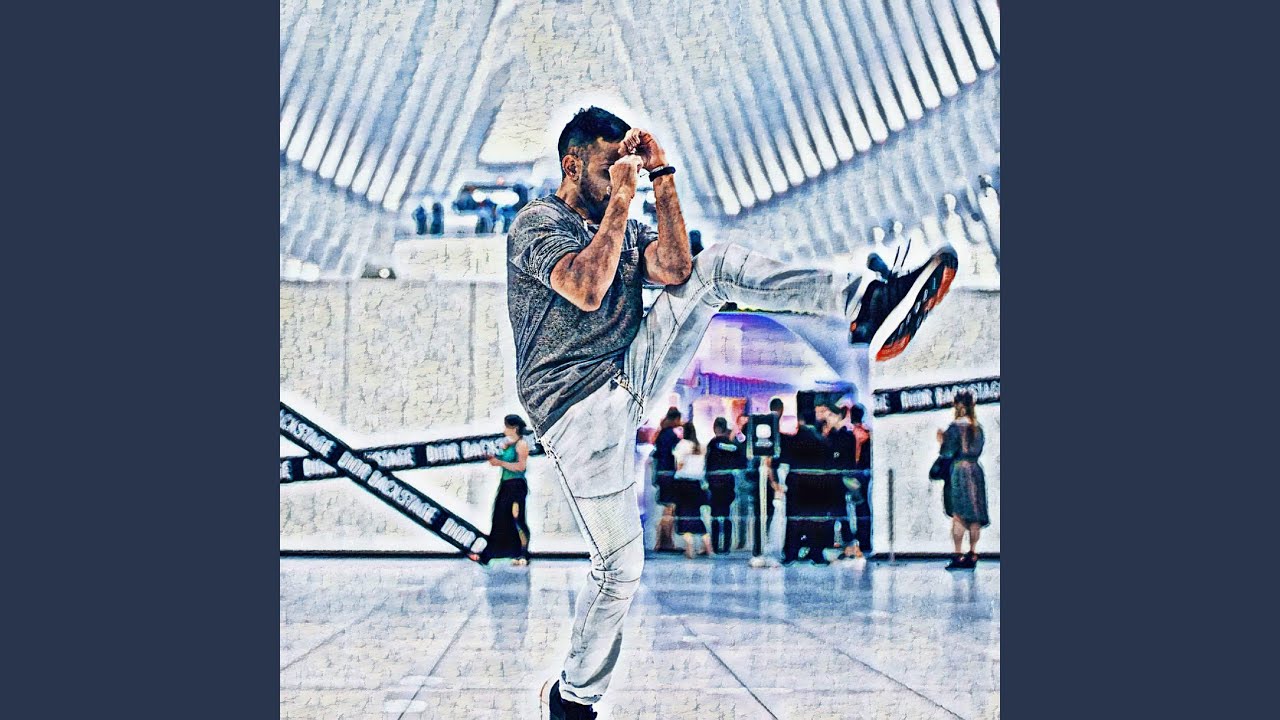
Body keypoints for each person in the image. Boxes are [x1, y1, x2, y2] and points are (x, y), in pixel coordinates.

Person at [507, 107, 957, 719]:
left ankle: (866, 302)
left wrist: (662, 176)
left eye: (624, 166)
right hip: (574, 412)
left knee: (712, 267)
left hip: (628, 376)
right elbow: (587, 288)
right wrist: (623, 199)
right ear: (572, 164)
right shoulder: (538, 223)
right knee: (619, 570)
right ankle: (573, 696)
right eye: (609, 165)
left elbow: (676, 269)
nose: (619, 176)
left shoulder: (622, 222)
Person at [937, 390, 989, 570]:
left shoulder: (954, 428)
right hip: (975, 470)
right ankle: (973, 553)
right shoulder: (978, 428)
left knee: (958, 515)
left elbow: (947, 452)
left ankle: (957, 554)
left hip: (959, 472)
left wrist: (941, 441)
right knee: (975, 515)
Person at [479, 414, 533, 565]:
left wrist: (500, 463)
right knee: (500, 517)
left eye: (507, 427)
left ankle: (522, 552)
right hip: (506, 484)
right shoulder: (508, 445)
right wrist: (495, 460)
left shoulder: (521, 445)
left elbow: (521, 467)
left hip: (516, 485)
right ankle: (496, 551)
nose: (504, 429)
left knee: (517, 517)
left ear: (514, 428)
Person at [704, 416, 745, 553]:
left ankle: (716, 546)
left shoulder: (712, 444)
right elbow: (741, 460)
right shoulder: (732, 445)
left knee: (715, 515)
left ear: (715, 428)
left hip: (715, 483)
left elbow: (708, 463)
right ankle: (726, 546)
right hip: (728, 482)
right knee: (727, 514)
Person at [672, 421, 712, 558]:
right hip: (697, 485)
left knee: (684, 516)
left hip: (683, 484)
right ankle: (708, 547)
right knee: (696, 516)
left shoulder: (682, 445)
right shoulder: (700, 446)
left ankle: (690, 549)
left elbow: (679, 465)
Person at [652, 407, 682, 552]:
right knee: (670, 508)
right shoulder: (671, 435)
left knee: (666, 508)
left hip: (661, 473)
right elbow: (675, 454)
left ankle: (662, 541)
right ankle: (666, 542)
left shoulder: (661, 434)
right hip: (669, 474)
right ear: (675, 419)